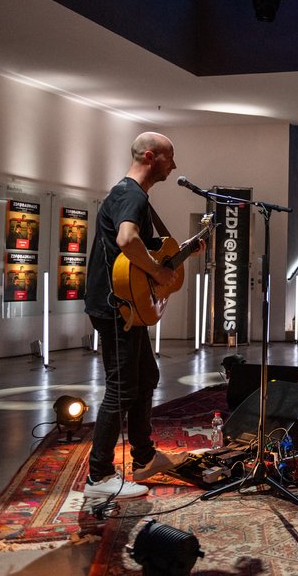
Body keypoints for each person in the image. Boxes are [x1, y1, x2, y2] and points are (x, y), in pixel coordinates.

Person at [82, 131, 201, 498]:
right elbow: (127, 241)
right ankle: (98, 477)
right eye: (170, 157)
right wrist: (158, 272)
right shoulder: (131, 194)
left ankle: (145, 456)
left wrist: (177, 258)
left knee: (146, 375)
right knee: (121, 388)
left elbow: (137, 249)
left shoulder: (133, 195)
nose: (175, 165)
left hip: (125, 305)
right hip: (114, 306)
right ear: (150, 157)